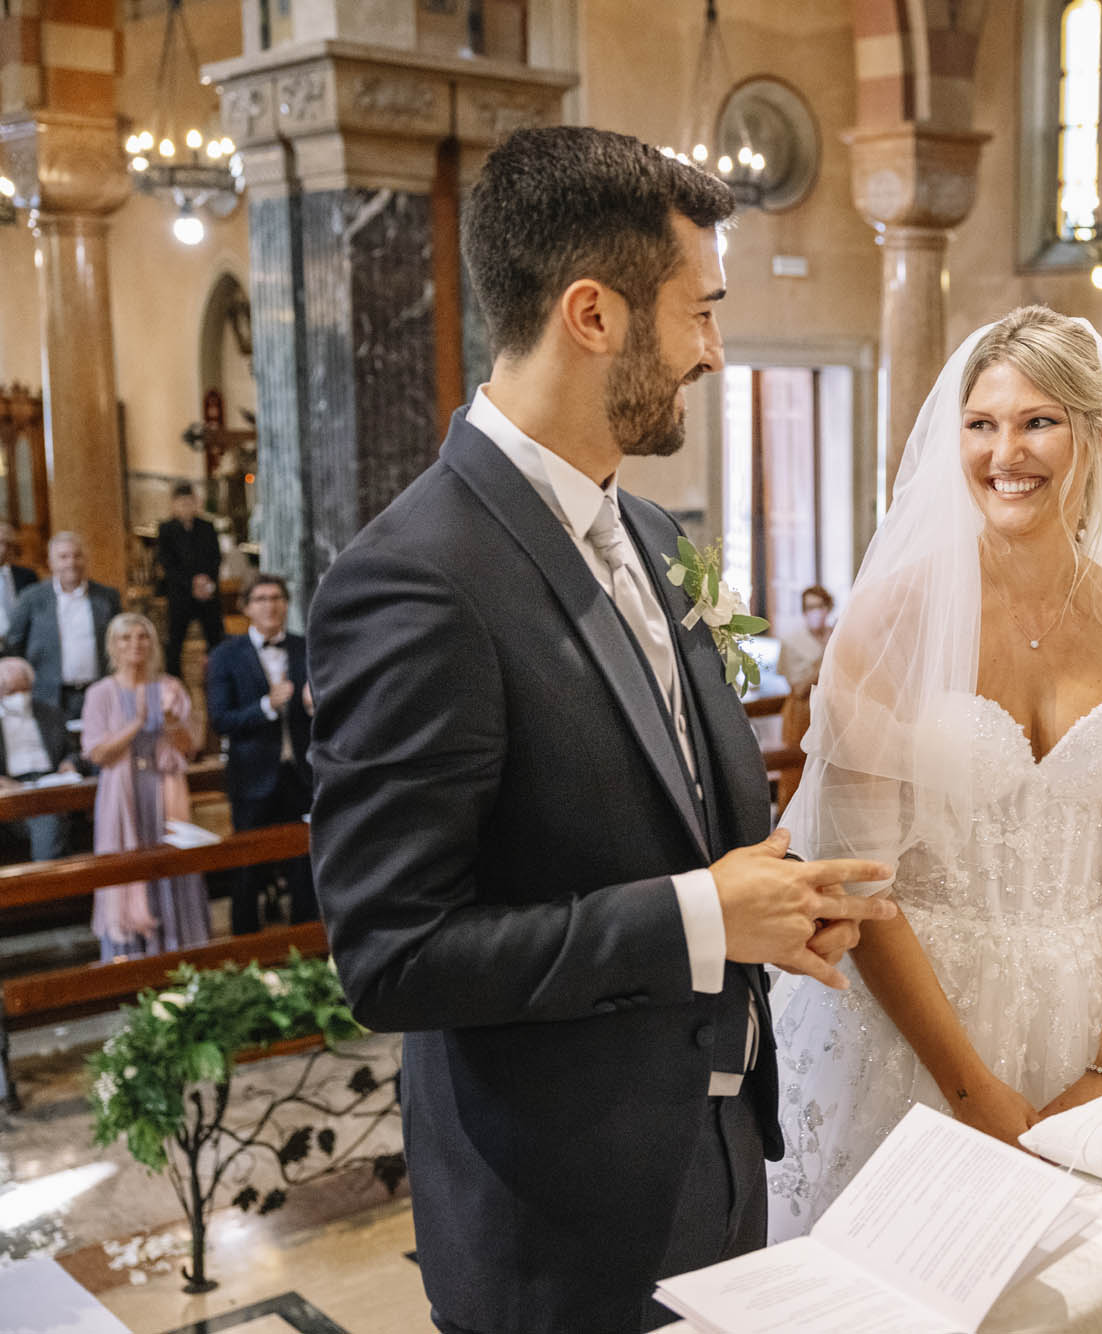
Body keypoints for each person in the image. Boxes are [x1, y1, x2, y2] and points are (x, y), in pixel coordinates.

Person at [307, 126, 896, 1334]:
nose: (712, 351)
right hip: (557, 1217)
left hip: (716, 1156)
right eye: (699, 312)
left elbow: (669, 815)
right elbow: (392, 953)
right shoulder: (417, 578)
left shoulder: (660, 539)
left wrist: (773, 899)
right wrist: (700, 916)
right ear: (592, 314)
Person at [768, 307, 1102, 1238]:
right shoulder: (889, 622)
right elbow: (858, 882)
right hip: (917, 1023)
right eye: (982, 424)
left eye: (1038, 421)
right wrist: (969, 1088)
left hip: (1099, 1012)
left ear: (1096, 435)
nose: (1006, 453)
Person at [83, 614, 207, 961]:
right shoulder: (100, 693)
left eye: (142, 637)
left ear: (152, 644)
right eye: (126, 638)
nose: (135, 644)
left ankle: (180, 950)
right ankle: (131, 955)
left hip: (165, 790)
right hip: (121, 795)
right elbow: (98, 753)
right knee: (126, 869)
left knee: (173, 864)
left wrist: (172, 722)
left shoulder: (169, 687)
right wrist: (137, 722)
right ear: (113, 646)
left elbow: (192, 745)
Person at [206, 574, 316, 935]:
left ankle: (307, 941)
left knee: (305, 860)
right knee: (248, 864)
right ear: (247, 608)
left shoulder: (305, 647)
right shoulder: (226, 655)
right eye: (261, 599)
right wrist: (267, 706)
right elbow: (221, 719)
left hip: (300, 772)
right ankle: (245, 943)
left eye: (277, 598)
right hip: (252, 775)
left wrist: (313, 707)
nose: (270, 605)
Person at [5, 532, 119, 723]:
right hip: (48, 696)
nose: (71, 562)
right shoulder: (32, 598)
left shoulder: (107, 597)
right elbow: (13, 643)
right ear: (51, 562)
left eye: (77, 556)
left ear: (86, 560)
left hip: (98, 691)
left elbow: (119, 643)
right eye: (63, 557)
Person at [0, 657, 78, 862]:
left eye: (24, 689)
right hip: (10, 789)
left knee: (47, 812)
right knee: (45, 816)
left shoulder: (50, 713)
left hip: (49, 783)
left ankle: (50, 876)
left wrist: (69, 763)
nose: (19, 696)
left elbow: (72, 752)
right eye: (12, 691)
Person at [773, 584, 834, 807]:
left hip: (831, 711)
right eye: (809, 608)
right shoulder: (792, 642)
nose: (815, 612)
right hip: (802, 712)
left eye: (819, 606)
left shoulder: (835, 635)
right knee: (797, 773)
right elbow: (799, 687)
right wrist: (827, 655)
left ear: (827, 608)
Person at [156, 481, 224, 680]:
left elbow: (215, 557)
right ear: (174, 505)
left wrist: (207, 582)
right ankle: (174, 681)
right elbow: (167, 563)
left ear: (196, 503)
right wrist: (191, 583)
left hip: (207, 591)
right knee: (175, 641)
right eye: (182, 503)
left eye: (190, 502)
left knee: (216, 637)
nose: (187, 507)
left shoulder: (206, 527)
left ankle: (218, 675)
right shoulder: (167, 529)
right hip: (181, 593)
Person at [0, 522, 40, 642]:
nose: (3, 549)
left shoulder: (28, 576)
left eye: (7, 544)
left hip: (20, 641)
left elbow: (37, 612)